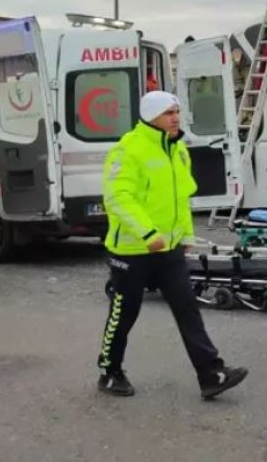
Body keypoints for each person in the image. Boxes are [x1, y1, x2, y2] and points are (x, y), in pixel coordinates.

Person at [96, 91, 247, 399]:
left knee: (187, 308)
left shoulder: (177, 150)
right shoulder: (128, 149)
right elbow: (118, 198)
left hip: (170, 250)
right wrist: (148, 234)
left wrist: (186, 236)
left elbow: (180, 200)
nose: (176, 117)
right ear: (151, 117)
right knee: (125, 313)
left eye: (177, 111)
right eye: (168, 113)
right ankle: (110, 372)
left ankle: (210, 374)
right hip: (133, 251)